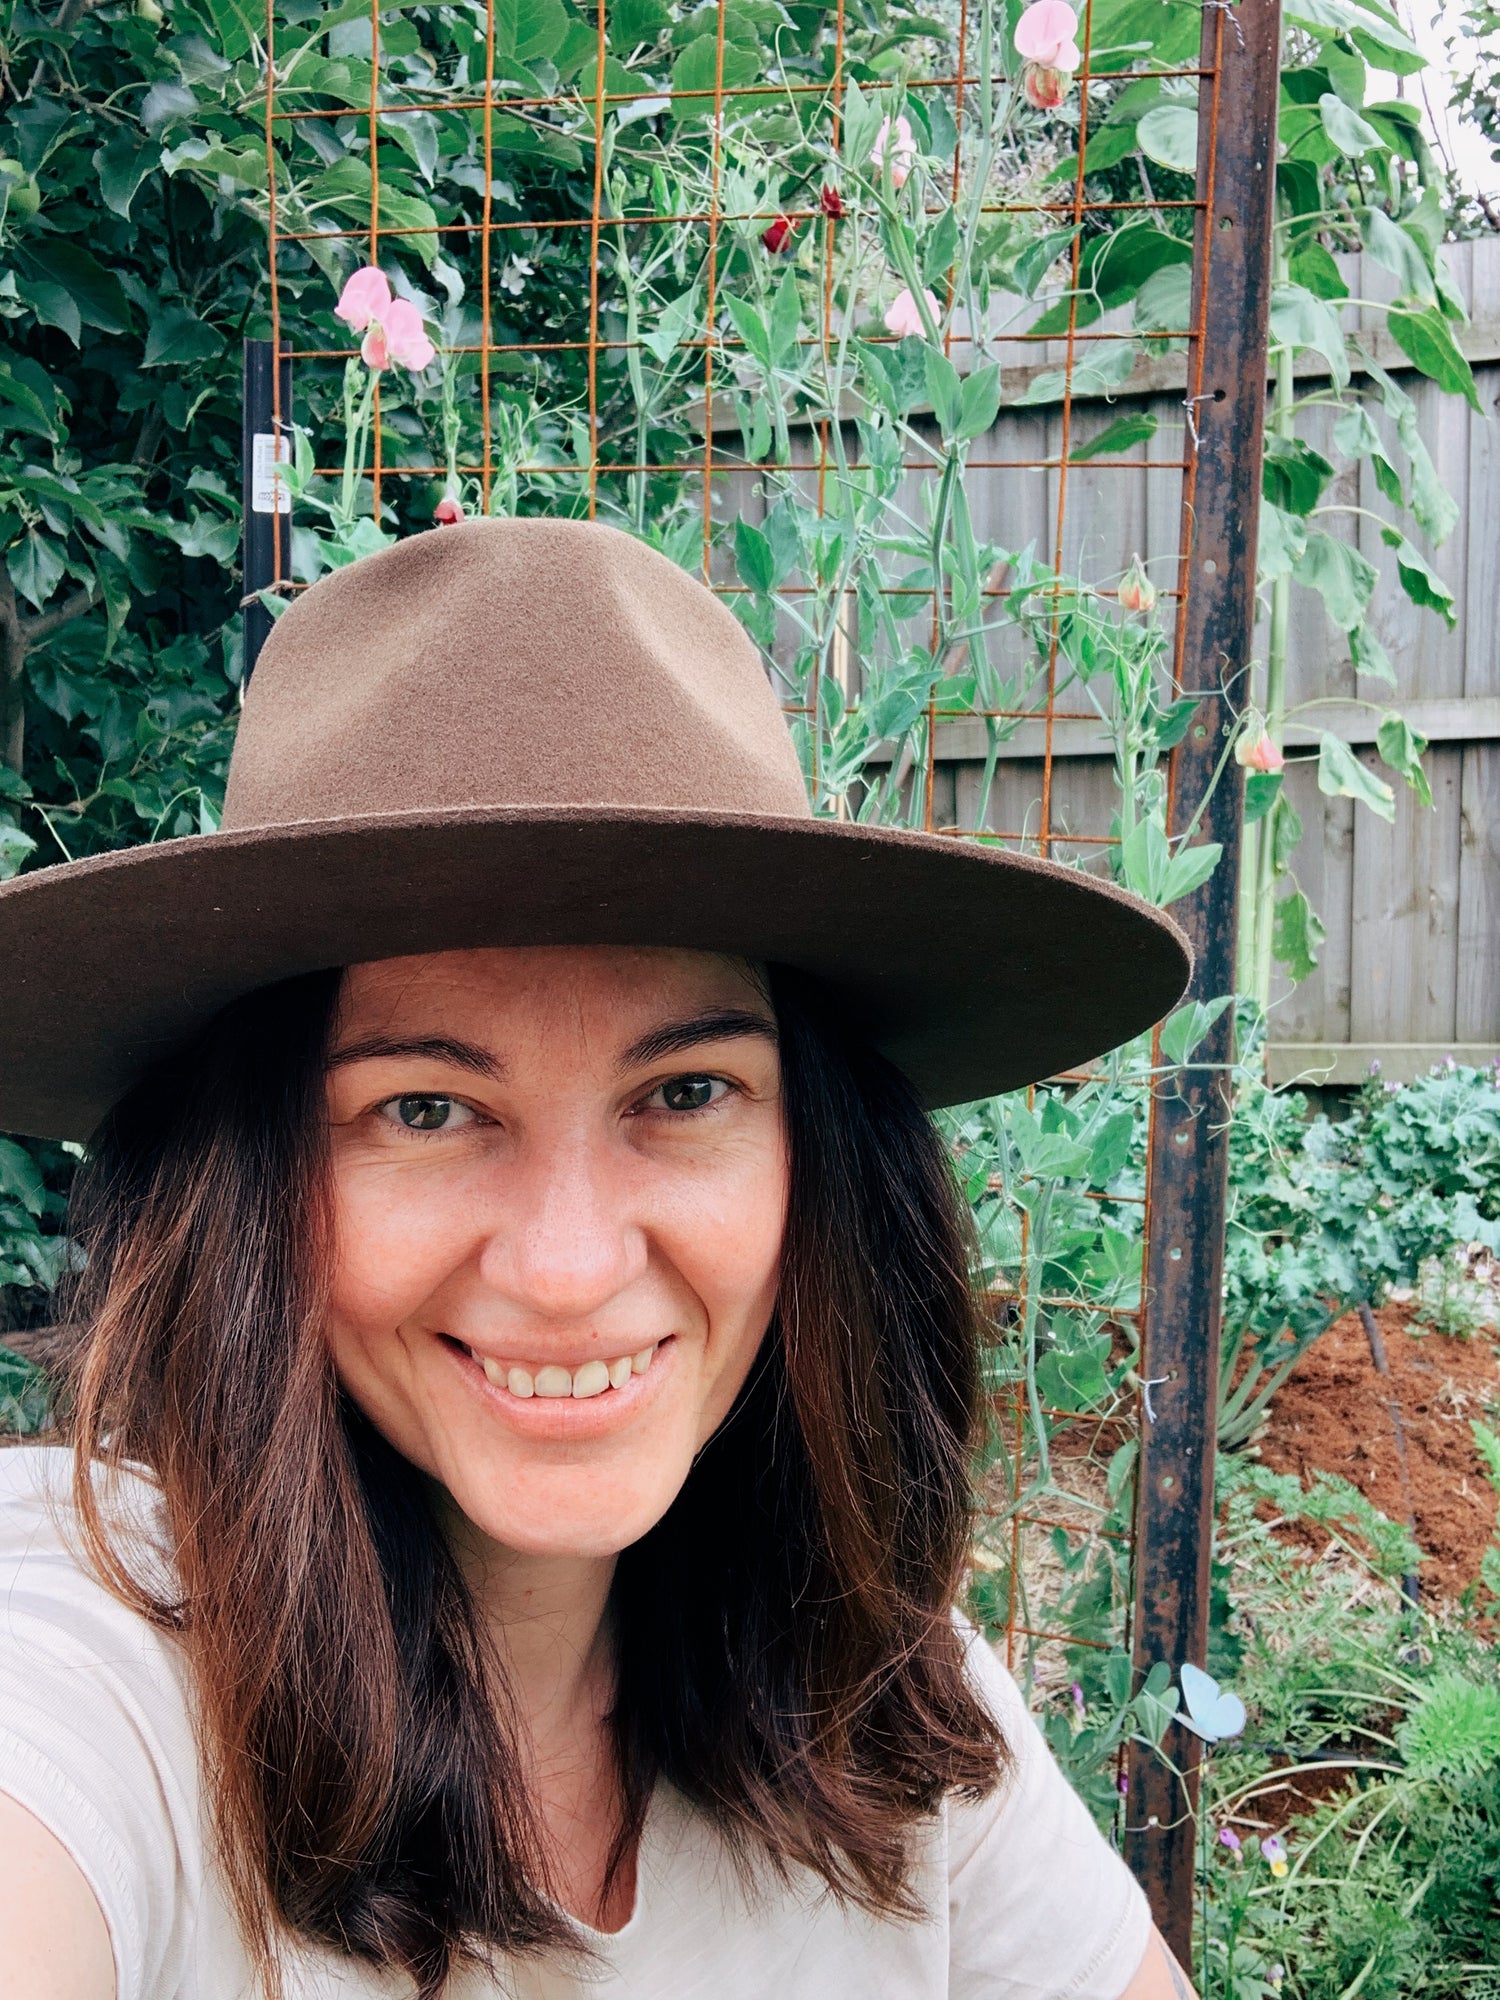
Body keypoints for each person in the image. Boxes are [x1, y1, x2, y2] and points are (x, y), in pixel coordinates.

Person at [0, 518, 1199, 2000]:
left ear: (817, 1158)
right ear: (245, 1189)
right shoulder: (85, 1665)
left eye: (685, 1094)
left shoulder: (873, 1678)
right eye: (424, 1109)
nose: (569, 1270)